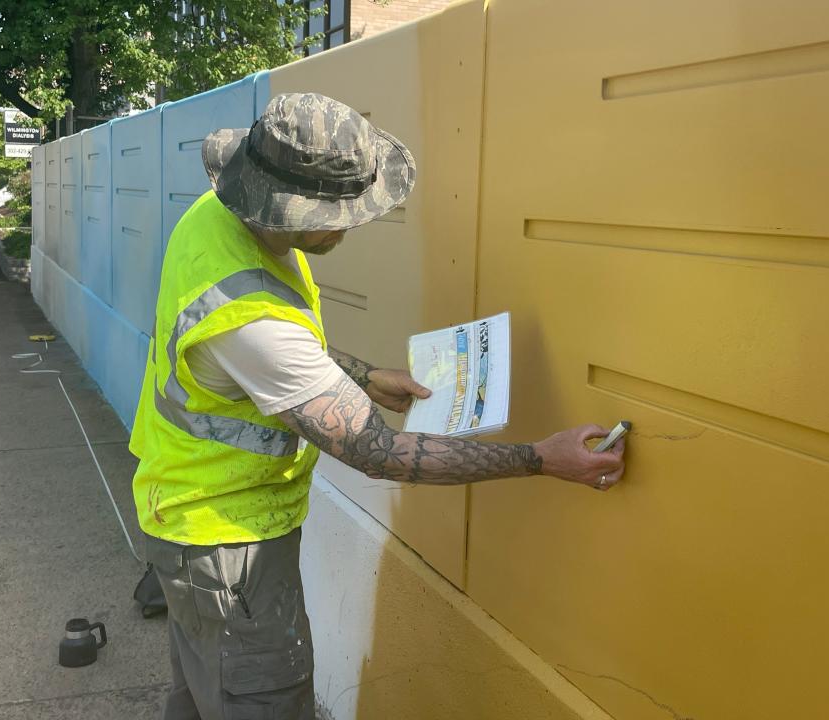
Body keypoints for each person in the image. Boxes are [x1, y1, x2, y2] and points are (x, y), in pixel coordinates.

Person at [129, 93, 626, 720]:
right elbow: (379, 452)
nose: (352, 225)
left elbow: (279, 352)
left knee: (205, 698)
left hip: (186, 515)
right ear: (292, 209)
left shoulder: (217, 214)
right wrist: (540, 458)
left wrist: (364, 378)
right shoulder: (249, 320)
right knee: (260, 700)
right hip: (228, 544)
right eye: (343, 213)